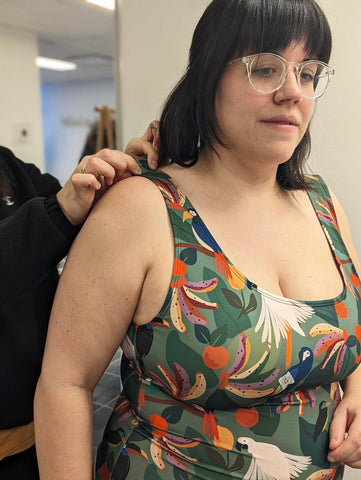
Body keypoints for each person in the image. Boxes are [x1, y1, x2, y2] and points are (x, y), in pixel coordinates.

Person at [34, 0, 361, 478]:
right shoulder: (141, 209)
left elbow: (346, 332)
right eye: (266, 68)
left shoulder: (322, 202)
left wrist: (357, 390)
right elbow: (65, 383)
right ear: (209, 78)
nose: (293, 91)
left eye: (309, 73)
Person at [0, 140, 157, 480]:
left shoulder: (11, 167)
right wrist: (61, 209)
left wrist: (118, 175)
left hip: (30, 436)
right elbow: (59, 210)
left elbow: (81, 213)